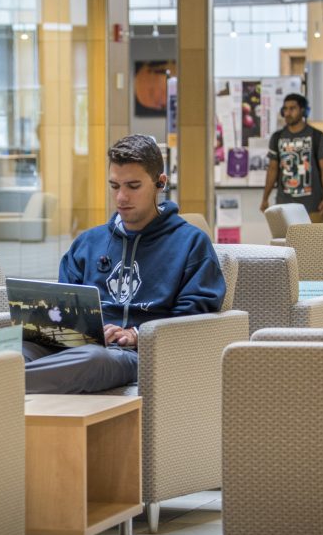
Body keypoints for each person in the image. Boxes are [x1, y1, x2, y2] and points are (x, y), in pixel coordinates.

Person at [23, 134, 226, 394]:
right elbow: (63, 306)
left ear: (160, 183)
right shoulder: (88, 242)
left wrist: (137, 334)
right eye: (115, 186)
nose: (121, 197)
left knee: (93, 361)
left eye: (133, 186)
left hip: (134, 354)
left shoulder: (190, 243)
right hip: (80, 346)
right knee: (14, 354)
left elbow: (197, 317)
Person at [260, 92, 323, 222]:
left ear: (302, 110)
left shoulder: (316, 136)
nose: (288, 113)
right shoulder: (277, 137)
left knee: (313, 242)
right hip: (284, 204)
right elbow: (272, 169)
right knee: (285, 241)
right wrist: (265, 198)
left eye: (292, 108)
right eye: (285, 109)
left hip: (312, 205)